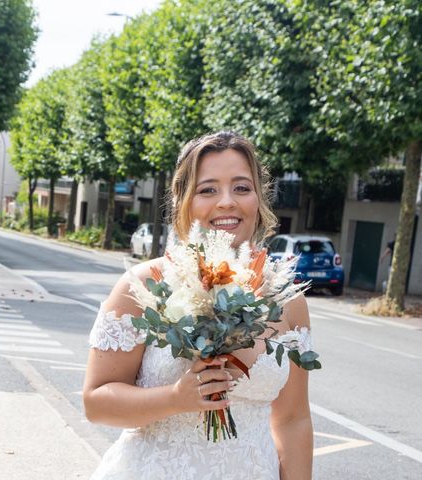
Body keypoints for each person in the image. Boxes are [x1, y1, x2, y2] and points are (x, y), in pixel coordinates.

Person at [83, 131, 313, 479]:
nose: (226, 202)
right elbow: (96, 403)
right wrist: (176, 397)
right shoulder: (144, 287)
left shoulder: (287, 300)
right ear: (182, 201)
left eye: (241, 187)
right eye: (208, 189)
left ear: (258, 198)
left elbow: (293, 419)